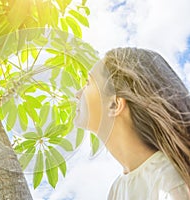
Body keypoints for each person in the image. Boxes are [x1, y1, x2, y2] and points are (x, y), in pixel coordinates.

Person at [74, 47, 190, 199]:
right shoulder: (117, 189)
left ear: (114, 105)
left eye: (88, 83)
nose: (77, 94)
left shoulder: (171, 184)